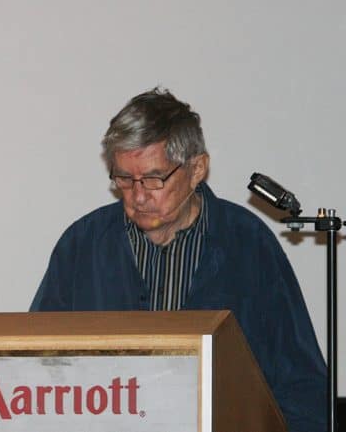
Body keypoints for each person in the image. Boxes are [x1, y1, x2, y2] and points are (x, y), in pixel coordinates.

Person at [29, 88, 326, 431]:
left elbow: (302, 385)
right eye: (124, 179)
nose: (138, 196)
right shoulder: (82, 246)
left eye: (154, 179)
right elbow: (38, 367)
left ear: (197, 168)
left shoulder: (247, 243)